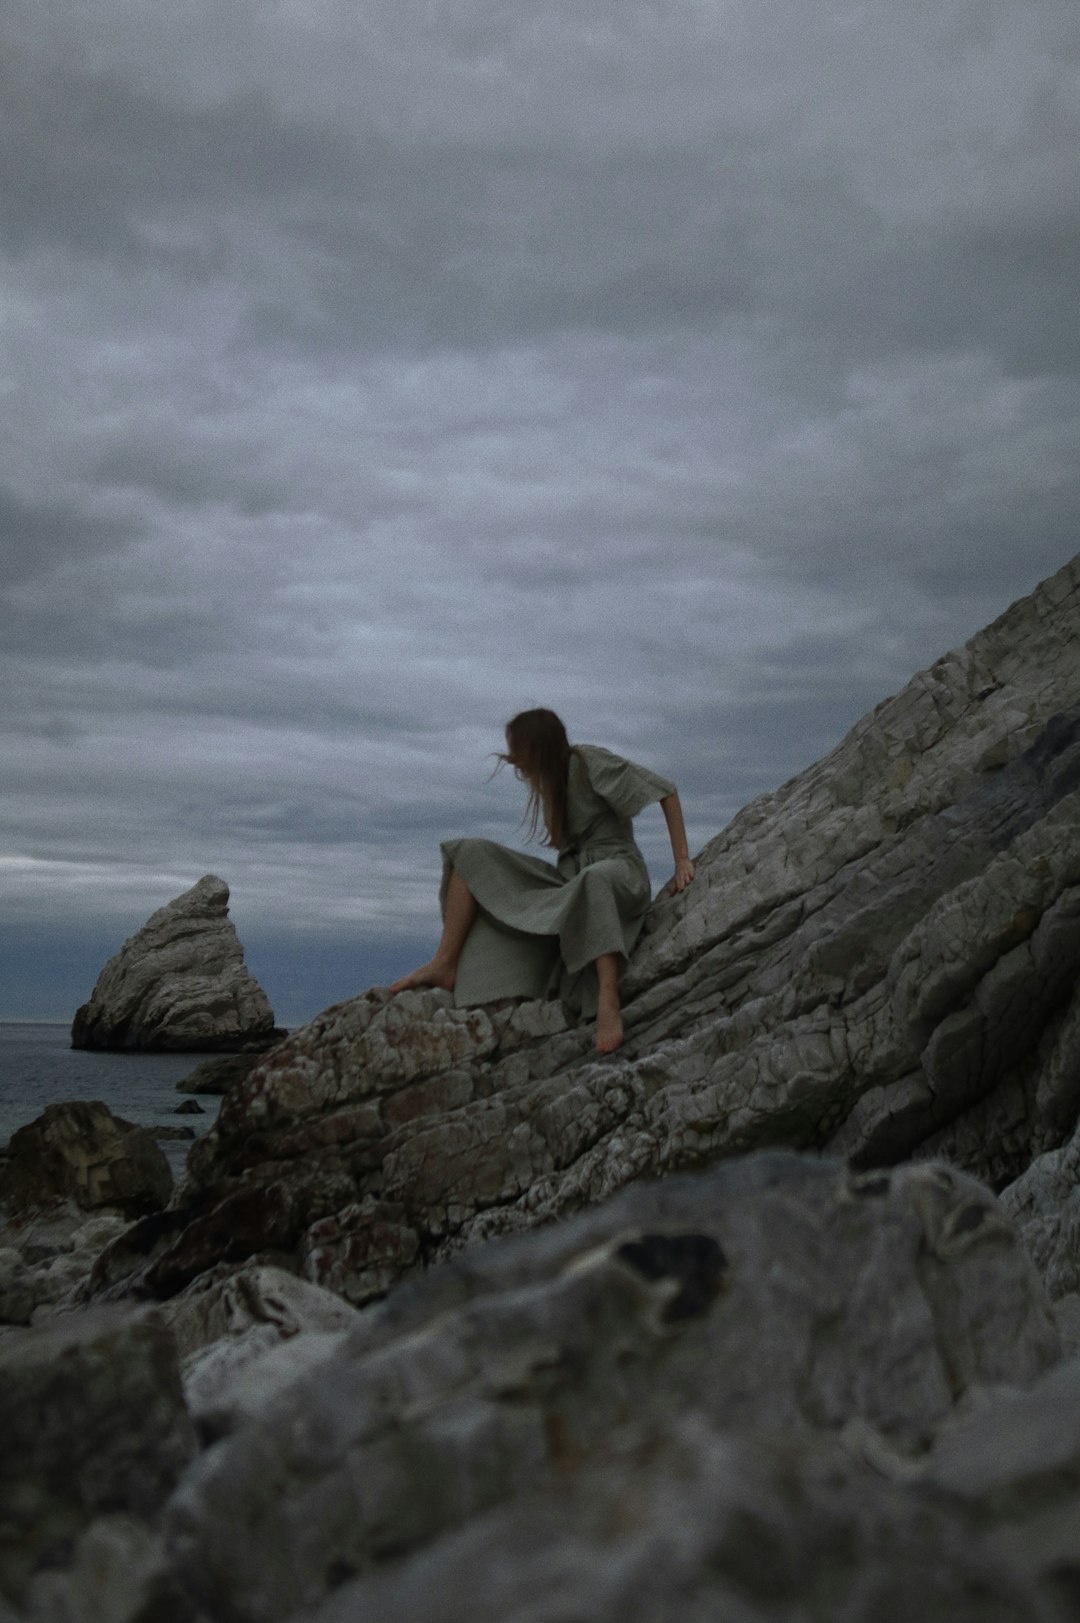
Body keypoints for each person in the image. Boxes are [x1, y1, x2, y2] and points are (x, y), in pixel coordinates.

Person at [389, 708, 695, 1054]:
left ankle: (607, 996)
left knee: (593, 879)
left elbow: (665, 791)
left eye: (519, 750)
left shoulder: (589, 762)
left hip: (618, 872)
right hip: (570, 880)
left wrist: (682, 859)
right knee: (469, 853)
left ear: (538, 747)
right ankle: (445, 963)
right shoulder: (549, 783)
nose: (516, 763)